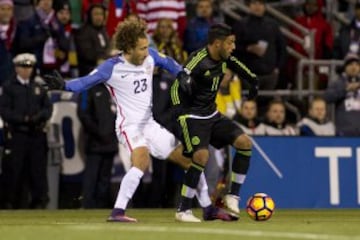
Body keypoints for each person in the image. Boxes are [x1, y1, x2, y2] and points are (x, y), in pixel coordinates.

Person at [43, 20, 231, 222]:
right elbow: (85, 82)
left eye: (146, 47)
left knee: (190, 160)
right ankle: (118, 212)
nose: (146, 52)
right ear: (129, 48)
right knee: (142, 161)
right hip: (129, 127)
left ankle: (208, 209)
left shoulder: (150, 57)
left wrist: (182, 75)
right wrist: (65, 85)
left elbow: (169, 62)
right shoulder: (111, 67)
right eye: (142, 48)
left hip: (150, 125)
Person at [170, 23, 258, 222]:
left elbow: (237, 64)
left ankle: (232, 196)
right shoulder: (198, 59)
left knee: (244, 143)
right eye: (230, 43)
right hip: (191, 115)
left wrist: (253, 80)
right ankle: (183, 210)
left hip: (212, 114)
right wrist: (178, 109)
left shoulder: (225, 58)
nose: (233, 47)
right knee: (201, 156)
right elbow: (179, 80)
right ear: (217, 44)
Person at [0, 53, 52, 209]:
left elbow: (48, 108)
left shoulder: (38, 86)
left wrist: (37, 118)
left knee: (37, 171)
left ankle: (39, 202)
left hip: (36, 135)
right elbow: (4, 111)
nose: (26, 70)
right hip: (18, 134)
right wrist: (23, 119)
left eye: (29, 67)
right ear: (16, 68)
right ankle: (12, 202)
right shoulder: (9, 87)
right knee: (15, 170)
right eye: (23, 66)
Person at [77, 84, 119, 208]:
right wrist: (99, 132)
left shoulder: (115, 88)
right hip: (94, 142)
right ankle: (87, 206)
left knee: (105, 179)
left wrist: (113, 135)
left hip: (110, 142)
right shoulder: (88, 89)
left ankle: (101, 207)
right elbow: (83, 114)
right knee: (92, 177)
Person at [324, 53, 360, 136]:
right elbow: (327, 97)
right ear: (345, 67)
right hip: (345, 131)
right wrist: (345, 89)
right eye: (350, 64)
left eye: (357, 65)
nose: (354, 67)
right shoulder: (338, 82)